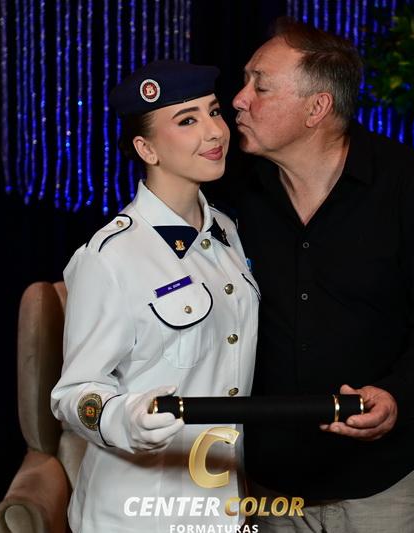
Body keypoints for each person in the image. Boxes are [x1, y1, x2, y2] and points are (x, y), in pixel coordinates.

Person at [224, 18, 414, 532]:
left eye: (260, 86)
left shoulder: (405, 185)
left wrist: (398, 396)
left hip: (381, 485)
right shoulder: (233, 194)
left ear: (317, 108)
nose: (239, 99)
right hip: (271, 484)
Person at [51, 60, 260, 532]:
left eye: (214, 112)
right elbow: (73, 394)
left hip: (222, 505)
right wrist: (124, 418)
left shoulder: (226, 231)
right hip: (138, 512)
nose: (214, 131)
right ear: (146, 148)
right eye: (187, 121)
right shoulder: (110, 256)